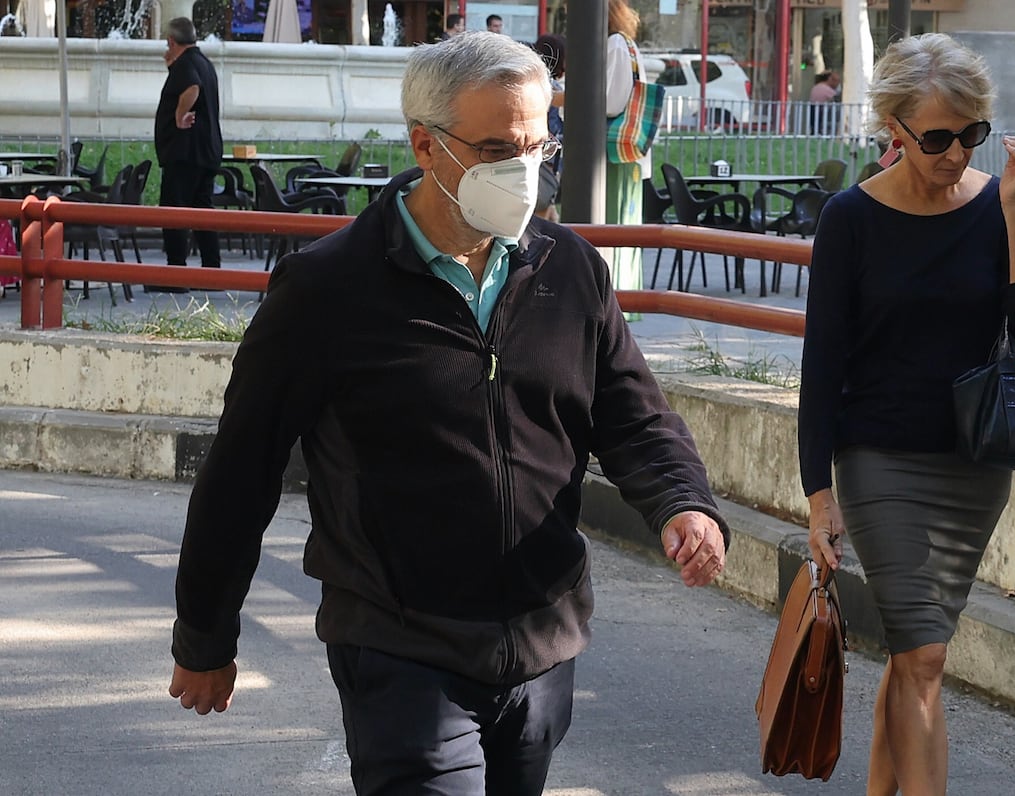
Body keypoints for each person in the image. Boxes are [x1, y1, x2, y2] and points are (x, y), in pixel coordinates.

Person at [167, 31, 729, 796]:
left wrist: (683, 504)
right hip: (400, 646)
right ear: (426, 146)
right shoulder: (327, 291)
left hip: (542, 643)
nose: (525, 170)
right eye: (499, 147)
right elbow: (241, 471)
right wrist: (205, 637)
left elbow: (631, 414)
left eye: (539, 146)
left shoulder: (570, 270)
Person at [797, 33, 1015, 796]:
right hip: (879, 460)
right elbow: (823, 366)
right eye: (936, 138)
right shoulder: (851, 219)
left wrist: (1011, 210)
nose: (954, 153)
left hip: (976, 466)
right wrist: (820, 495)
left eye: (970, 134)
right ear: (896, 133)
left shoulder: (1001, 203)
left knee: (916, 656)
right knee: (925, 660)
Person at [153, 16, 222, 288]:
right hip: (206, 151)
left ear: (171, 40)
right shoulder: (204, 62)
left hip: (185, 153)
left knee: (174, 212)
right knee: (203, 211)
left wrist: (180, 116)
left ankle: (176, 274)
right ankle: (212, 272)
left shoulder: (186, 65)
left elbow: (191, 87)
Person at [605, 0, 647, 298]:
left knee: (613, 220)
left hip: (613, 150)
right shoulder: (626, 44)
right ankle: (625, 294)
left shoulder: (615, 46)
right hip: (628, 149)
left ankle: (617, 295)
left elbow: (611, 101)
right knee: (624, 220)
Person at [533, 32, 565, 222]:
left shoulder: (536, 83)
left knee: (550, 217)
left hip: (545, 161)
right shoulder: (551, 88)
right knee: (544, 220)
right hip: (547, 161)